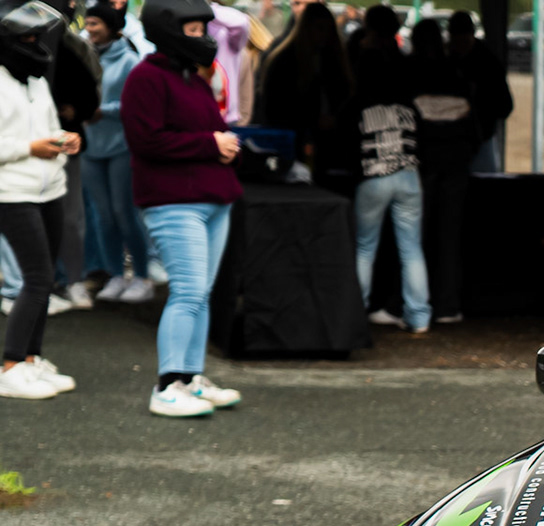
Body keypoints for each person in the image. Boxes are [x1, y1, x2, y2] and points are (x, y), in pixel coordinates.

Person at [122, 0, 244, 417]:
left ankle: (190, 378)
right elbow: (146, 141)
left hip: (213, 199)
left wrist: (224, 144)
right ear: (169, 32)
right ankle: (167, 386)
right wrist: (211, 144)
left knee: (199, 294)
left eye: (201, 30)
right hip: (174, 202)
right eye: (193, 31)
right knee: (189, 292)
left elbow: (212, 130)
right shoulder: (146, 78)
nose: (202, 38)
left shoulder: (193, 79)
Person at [0, 0, 80, 402]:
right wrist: (29, 148)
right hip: (12, 193)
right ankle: (11, 365)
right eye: (28, 38)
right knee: (37, 277)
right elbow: (19, 143)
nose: (36, 45)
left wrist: (65, 140)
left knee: (43, 280)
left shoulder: (36, 82)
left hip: (50, 189)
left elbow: (49, 128)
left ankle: (31, 359)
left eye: (38, 37)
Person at [347, 4, 427, 334]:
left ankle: (355, 314)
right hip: (409, 174)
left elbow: (345, 130)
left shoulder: (360, 94)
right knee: (412, 249)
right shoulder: (406, 88)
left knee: (365, 248)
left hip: (374, 174)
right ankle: (419, 317)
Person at [81, 1, 152, 303]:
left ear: (110, 27)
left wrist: (103, 112)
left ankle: (143, 276)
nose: (89, 29)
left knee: (125, 213)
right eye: (87, 23)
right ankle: (114, 274)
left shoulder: (130, 61)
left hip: (121, 146)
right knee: (103, 216)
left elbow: (136, 104)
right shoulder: (84, 56)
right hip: (90, 146)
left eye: (94, 23)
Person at [408, 16, 471, 323]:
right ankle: (447, 304)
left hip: (423, 161)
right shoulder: (456, 71)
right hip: (456, 161)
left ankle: (412, 304)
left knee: (413, 238)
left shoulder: (410, 72)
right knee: (450, 236)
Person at [258, 0, 351, 175]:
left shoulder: (333, 61)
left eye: (327, 29)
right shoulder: (286, 61)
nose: (324, 35)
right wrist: (314, 121)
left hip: (326, 145)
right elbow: (277, 107)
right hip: (294, 143)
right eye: (319, 28)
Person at [50, 19, 99, 308]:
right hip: (26, 150)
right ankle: (40, 282)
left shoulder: (69, 48)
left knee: (70, 217)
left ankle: (72, 279)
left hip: (66, 145)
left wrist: (75, 110)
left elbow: (90, 93)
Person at [448, 10, 508, 173]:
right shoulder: (488, 60)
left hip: (474, 140)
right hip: (475, 139)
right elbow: (505, 106)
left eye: (463, 40)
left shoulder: (486, 63)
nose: (460, 45)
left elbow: (504, 106)